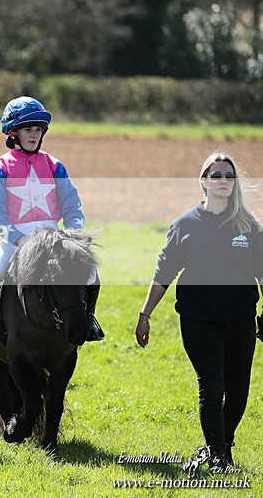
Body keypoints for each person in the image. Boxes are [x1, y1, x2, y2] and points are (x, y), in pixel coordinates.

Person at [136, 151, 263, 471]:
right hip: (199, 320)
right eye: (216, 175)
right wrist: (144, 316)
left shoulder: (249, 226)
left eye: (229, 176)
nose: (223, 181)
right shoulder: (185, 225)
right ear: (204, 181)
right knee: (212, 387)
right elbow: (164, 273)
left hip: (241, 319)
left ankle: (222, 444)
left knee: (238, 392)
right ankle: (218, 458)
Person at [0, 96, 103, 351]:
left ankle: (88, 319)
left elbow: (72, 205)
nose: (34, 134)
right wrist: (18, 239)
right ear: (13, 133)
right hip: (17, 238)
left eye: (38, 129)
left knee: (91, 273)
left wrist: (72, 233)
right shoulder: (0, 168)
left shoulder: (54, 165)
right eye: (28, 129)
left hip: (54, 236)